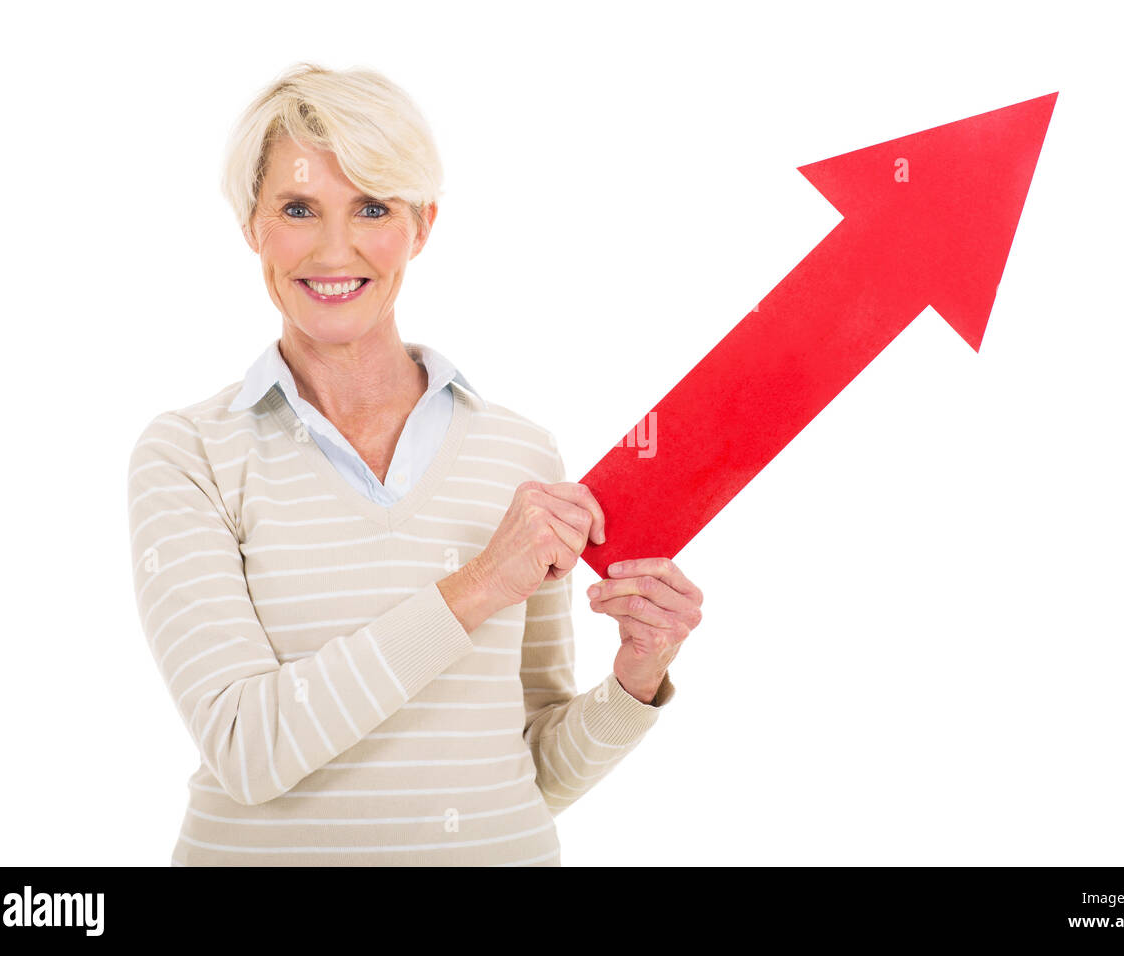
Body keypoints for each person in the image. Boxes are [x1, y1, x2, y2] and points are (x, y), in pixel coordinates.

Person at [125, 62, 703, 866]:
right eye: (298, 209)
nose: (335, 248)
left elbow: (526, 772)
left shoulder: (519, 454)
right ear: (252, 226)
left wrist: (638, 679)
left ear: (423, 225)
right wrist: (479, 586)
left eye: (372, 206)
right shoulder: (189, 454)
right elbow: (247, 748)